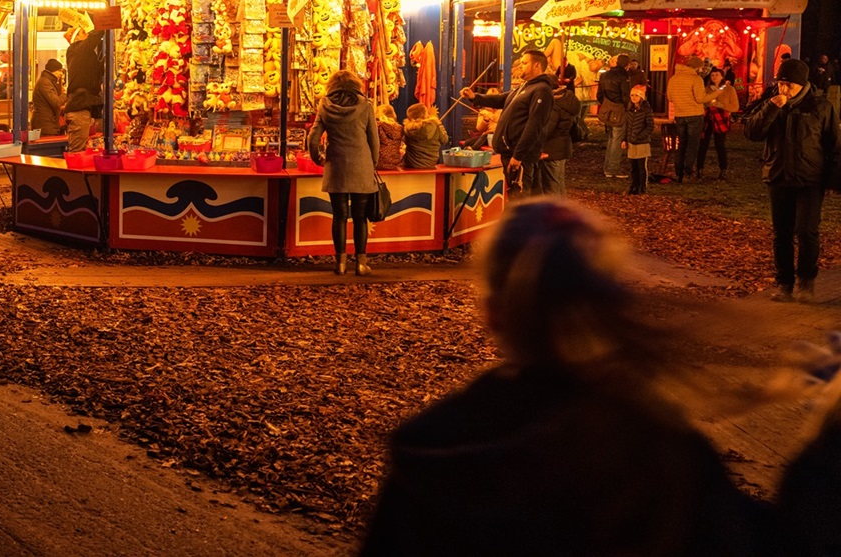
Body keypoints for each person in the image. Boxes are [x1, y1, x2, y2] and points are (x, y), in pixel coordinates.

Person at [360, 198, 841, 556]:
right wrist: (826, 440)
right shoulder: (653, 453)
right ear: (609, 302)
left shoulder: (430, 454)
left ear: (492, 313)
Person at [744, 57, 840, 302]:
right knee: (782, 233)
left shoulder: (820, 107)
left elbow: (834, 145)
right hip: (779, 176)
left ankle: (806, 281)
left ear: (803, 84)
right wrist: (771, 107)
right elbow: (752, 132)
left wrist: (833, 181)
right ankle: (784, 284)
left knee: (807, 231)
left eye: (789, 85)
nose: (784, 89)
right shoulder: (771, 104)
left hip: (810, 179)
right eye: (780, 83)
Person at [307, 69, 381, 276]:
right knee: (360, 217)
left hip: (336, 165)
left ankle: (340, 263)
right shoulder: (365, 106)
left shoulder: (325, 105)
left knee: (339, 216)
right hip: (361, 166)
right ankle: (360, 263)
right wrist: (371, 164)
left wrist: (317, 158)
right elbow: (374, 140)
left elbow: (313, 137)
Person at [467, 49, 556, 195]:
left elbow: (534, 126)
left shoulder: (542, 90)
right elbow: (501, 99)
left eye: (524, 63)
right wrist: (474, 97)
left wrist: (518, 155)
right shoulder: (524, 86)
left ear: (537, 65)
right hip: (510, 153)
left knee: (520, 197)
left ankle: (521, 218)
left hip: (520, 156)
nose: (520, 66)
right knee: (520, 196)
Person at [542, 63, 582, 196]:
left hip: (552, 148)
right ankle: (562, 210)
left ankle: (555, 214)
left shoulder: (554, 104)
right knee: (559, 182)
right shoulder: (567, 99)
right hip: (563, 146)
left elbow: (547, 129)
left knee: (551, 184)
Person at [62, 30, 106, 152]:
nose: (87, 33)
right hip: (79, 108)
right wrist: (104, 22)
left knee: (79, 149)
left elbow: (97, 71)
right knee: (77, 152)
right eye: (83, 32)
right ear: (76, 38)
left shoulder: (83, 58)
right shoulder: (77, 49)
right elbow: (94, 36)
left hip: (81, 108)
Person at [666, 55, 708, 182]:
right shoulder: (696, 79)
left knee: (681, 144)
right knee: (692, 145)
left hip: (680, 115)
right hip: (694, 114)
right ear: (697, 67)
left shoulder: (674, 78)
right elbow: (700, 99)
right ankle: (688, 172)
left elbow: (670, 97)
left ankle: (678, 172)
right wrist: (715, 94)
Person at [697, 66, 739, 180]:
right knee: (703, 143)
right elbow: (701, 102)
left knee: (720, 144)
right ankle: (699, 169)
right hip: (707, 118)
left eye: (717, 74)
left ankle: (723, 169)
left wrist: (722, 105)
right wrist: (707, 105)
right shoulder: (706, 89)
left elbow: (735, 107)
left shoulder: (729, 89)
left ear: (722, 77)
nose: (714, 76)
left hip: (721, 119)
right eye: (712, 75)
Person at [597, 53, 633, 179]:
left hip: (607, 108)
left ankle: (607, 166)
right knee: (617, 139)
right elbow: (625, 95)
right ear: (627, 65)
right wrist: (628, 107)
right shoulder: (624, 76)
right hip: (619, 109)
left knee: (611, 138)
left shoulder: (604, 75)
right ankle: (613, 168)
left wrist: (606, 103)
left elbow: (599, 95)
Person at [621, 83, 655, 195]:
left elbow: (650, 126)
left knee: (641, 167)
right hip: (631, 142)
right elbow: (626, 126)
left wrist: (640, 136)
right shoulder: (629, 110)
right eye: (632, 95)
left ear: (641, 97)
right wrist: (624, 139)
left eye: (636, 95)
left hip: (641, 142)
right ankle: (634, 185)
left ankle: (642, 187)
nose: (633, 97)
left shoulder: (646, 110)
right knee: (633, 167)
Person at [400, 104, 447, 170]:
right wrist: (439, 124)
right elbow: (445, 140)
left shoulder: (407, 129)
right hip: (430, 163)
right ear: (425, 114)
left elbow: (404, 142)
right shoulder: (435, 125)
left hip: (411, 164)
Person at [29, 58, 66, 136]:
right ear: (53, 71)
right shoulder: (45, 83)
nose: (61, 74)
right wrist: (66, 94)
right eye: (60, 71)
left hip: (47, 124)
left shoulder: (47, 81)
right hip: (45, 125)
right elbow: (56, 102)